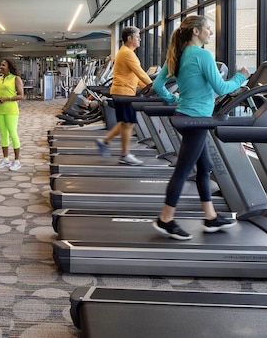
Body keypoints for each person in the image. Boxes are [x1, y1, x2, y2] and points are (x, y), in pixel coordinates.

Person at [152, 15, 250, 240]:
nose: (211, 32)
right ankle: (165, 219)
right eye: (208, 28)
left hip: (185, 116)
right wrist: (241, 77)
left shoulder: (177, 55)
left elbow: (158, 84)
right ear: (196, 31)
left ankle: (210, 216)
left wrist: (172, 99)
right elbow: (222, 87)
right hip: (196, 120)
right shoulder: (203, 55)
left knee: (204, 166)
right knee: (183, 170)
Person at [95, 26, 153, 165]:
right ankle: (125, 154)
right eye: (137, 36)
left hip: (123, 92)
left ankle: (104, 141)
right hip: (124, 93)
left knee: (124, 122)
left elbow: (135, 75)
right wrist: (155, 87)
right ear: (129, 38)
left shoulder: (126, 52)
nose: (139, 39)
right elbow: (140, 73)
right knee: (129, 123)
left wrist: (149, 88)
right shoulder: (128, 53)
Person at [0, 58, 24, 171]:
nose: (1, 67)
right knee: (3, 135)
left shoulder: (16, 78)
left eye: (3, 65)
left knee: (13, 134)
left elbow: (21, 95)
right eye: (0, 65)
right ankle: (5, 159)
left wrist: (7, 98)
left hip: (11, 110)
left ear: (9, 67)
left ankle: (17, 161)